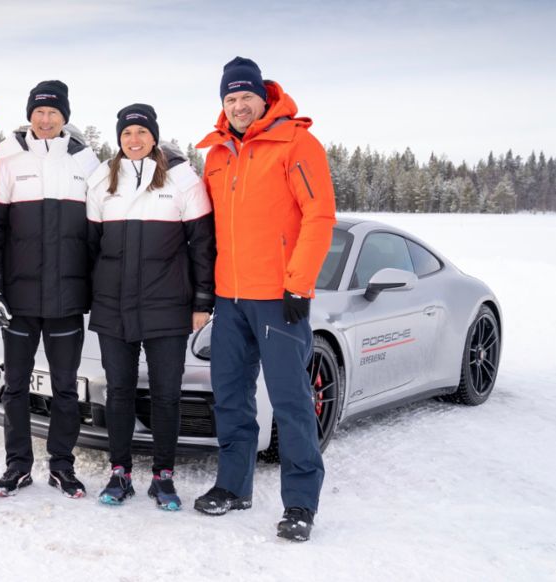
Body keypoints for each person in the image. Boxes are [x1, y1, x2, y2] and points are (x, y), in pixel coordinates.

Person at [193, 56, 336, 541]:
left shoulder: (297, 143)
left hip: (278, 298)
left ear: (264, 96)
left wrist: (298, 284)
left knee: (291, 401)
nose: (237, 106)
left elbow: (319, 216)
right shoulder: (215, 155)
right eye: (229, 99)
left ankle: (300, 504)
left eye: (244, 97)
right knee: (230, 398)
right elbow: (208, 228)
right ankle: (234, 487)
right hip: (230, 299)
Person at [85, 104, 215, 511]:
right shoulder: (103, 180)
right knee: (118, 391)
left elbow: (203, 246)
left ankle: (163, 476)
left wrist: (202, 301)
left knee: (166, 394)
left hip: (168, 305)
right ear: (119, 139)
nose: (134, 140)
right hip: (113, 305)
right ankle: (119, 472)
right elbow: (90, 247)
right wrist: (91, 297)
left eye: (141, 132)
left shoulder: (182, 179)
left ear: (154, 136)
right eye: (127, 134)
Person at [0, 80, 100, 499]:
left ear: (65, 117)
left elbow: (96, 234)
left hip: (68, 299)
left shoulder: (86, 163)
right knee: (14, 385)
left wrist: (94, 289)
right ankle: (18, 466)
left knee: (66, 387)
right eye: (39, 112)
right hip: (17, 300)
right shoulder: (7, 161)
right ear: (29, 115)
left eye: (53, 112)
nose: (46, 119)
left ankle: (62, 466)